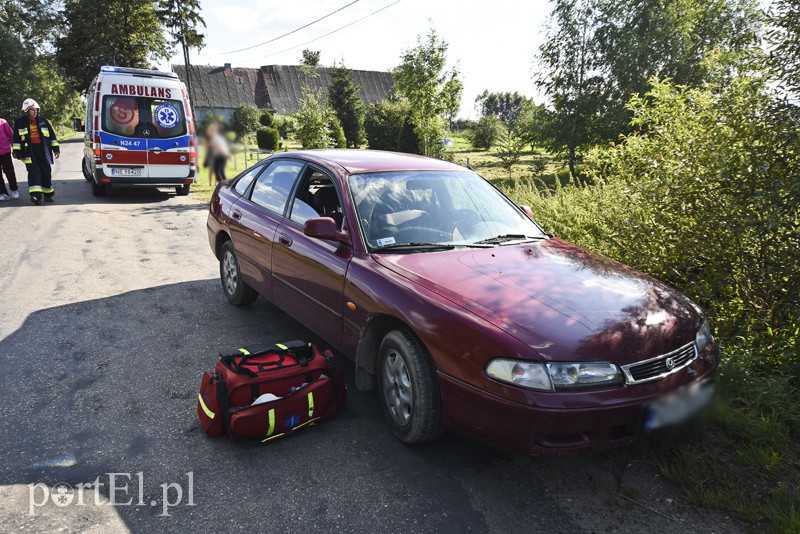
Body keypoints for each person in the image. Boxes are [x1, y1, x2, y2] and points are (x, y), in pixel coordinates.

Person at [12, 98, 60, 205]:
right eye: (32, 110)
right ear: (26, 110)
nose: (35, 112)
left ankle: (48, 195)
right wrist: (18, 153)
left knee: (46, 173)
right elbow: (16, 139)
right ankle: (36, 196)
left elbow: (52, 136)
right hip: (29, 152)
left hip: (44, 151)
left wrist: (56, 149)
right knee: (34, 173)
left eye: (36, 110)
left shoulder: (43, 121)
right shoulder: (19, 123)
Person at [0, 116, 19, 201]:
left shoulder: (3, 122)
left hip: (5, 152)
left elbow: (11, 136)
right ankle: (3, 193)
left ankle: (14, 189)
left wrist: (14, 149)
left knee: (9, 172)